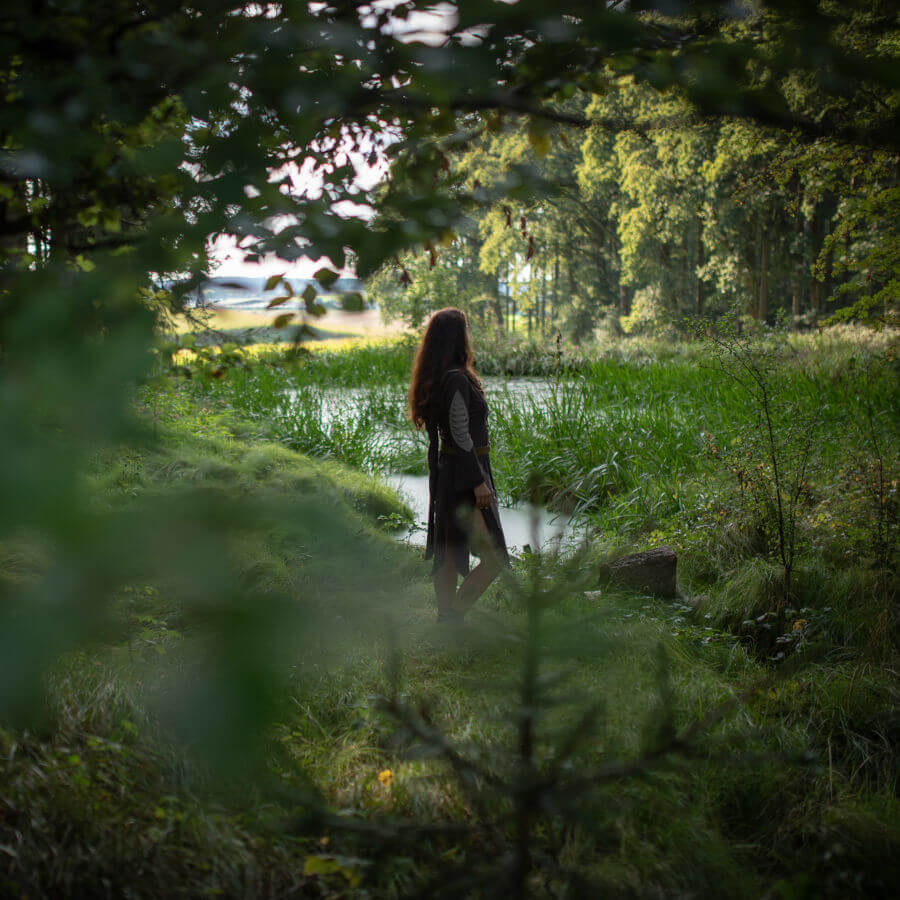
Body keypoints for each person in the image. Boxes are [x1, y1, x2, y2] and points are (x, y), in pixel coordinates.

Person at [408, 307, 509, 622]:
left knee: (449, 549)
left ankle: (446, 619)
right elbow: (460, 434)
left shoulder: (444, 378)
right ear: (457, 338)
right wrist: (478, 480)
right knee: (495, 557)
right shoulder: (455, 380)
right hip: (465, 473)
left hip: (451, 472)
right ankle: (453, 618)